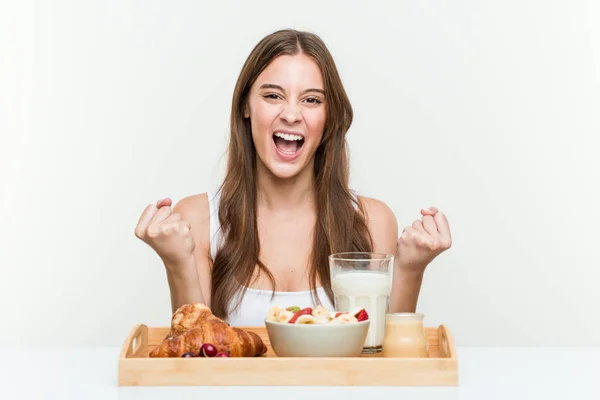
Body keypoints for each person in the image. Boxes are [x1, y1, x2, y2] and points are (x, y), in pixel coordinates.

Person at [134, 29, 452, 326]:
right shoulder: (198, 219)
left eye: (311, 100)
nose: (290, 114)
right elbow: (196, 359)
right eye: (273, 96)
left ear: (328, 118)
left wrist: (411, 269)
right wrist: (177, 263)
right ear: (246, 105)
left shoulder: (372, 221)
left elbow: (387, 362)